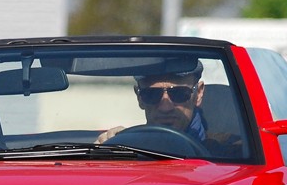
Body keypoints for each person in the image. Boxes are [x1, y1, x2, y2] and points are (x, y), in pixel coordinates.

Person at [96, 62, 242, 155]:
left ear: (198, 93)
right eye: (151, 95)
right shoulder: (124, 148)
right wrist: (104, 151)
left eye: (179, 94)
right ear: (139, 97)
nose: (165, 107)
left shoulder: (231, 153)